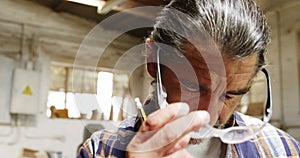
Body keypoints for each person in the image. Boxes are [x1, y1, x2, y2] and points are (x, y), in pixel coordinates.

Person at [77, 0, 300, 157]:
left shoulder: (281, 150)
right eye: (194, 86)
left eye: (230, 95)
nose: (208, 116)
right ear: (153, 62)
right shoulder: (100, 151)